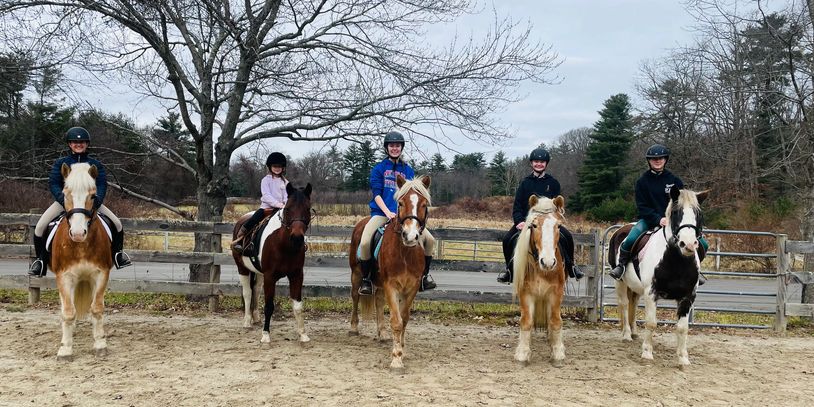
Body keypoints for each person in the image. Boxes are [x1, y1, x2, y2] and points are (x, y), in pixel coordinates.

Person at [28, 127, 132, 277]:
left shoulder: (94, 164)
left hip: (88, 202)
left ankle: (118, 255)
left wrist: (97, 200)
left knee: (117, 223)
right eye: (75, 142)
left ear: (87, 144)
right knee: (40, 227)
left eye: (82, 142)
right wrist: (63, 200)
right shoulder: (61, 163)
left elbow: (102, 184)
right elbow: (54, 183)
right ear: (70, 144)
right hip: (66, 202)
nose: (78, 144)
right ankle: (41, 261)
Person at [607, 144, 708, 283]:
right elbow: (642, 207)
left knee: (703, 243)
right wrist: (658, 219)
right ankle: (621, 266)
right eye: (654, 159)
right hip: (649, 220)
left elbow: (683, 204)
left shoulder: (675, 181)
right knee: (630, 239)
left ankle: (696, 268)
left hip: (674, 223)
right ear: (649, 161)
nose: (657, 161)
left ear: (665, 160)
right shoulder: (642, 182)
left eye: (660, 158)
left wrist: (674, 220)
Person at [357, 131, 436, 295]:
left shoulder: (408, 170)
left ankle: (424, 277)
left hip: (406, 217)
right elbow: (377, 194)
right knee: (365, 242)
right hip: (381, 213)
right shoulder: (379, 169)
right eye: (391, 145)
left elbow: (414, 196)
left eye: (397, 145)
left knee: (430, 240)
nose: (394, 148)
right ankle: (367, 279)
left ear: (401, 148)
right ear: (387, 148)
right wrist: (388, 212)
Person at [497, 147, 584, 284]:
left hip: (549, 223)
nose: (539, 164)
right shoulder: (525, 183)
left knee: (567, 236)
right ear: (532, 163)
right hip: (529, 222)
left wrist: (555, 220)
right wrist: (519, 221)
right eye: (536, 161)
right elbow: (517, 206)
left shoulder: (553, 183)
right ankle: (509, 271)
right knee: (507, 239)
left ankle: (571, 266)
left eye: (542, 162)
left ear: (546, 164)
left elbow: (558, 205)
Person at [230, 152, 289, 253]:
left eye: (279, 166)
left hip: (281, 209)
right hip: (267, 208)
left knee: (294, 223)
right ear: (270, 167)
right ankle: (240, 239)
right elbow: (266, 196)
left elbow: (287, 196)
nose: (277, 168)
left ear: (283, 168)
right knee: (254, 219)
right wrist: (279, 204)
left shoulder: (286, 182)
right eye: (275, 166)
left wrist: (285, 205)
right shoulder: (265, 180)